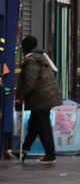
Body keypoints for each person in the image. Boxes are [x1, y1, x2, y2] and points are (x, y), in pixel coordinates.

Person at [15, 36, 61, 164]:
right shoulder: (40, 57)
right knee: (34, 125)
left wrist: (21, 95)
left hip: (41, 98)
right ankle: (23, 150)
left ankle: (50, 155)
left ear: (24, 48)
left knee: (43, 126)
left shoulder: (32, 61)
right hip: (45, 97)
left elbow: (30, 82)